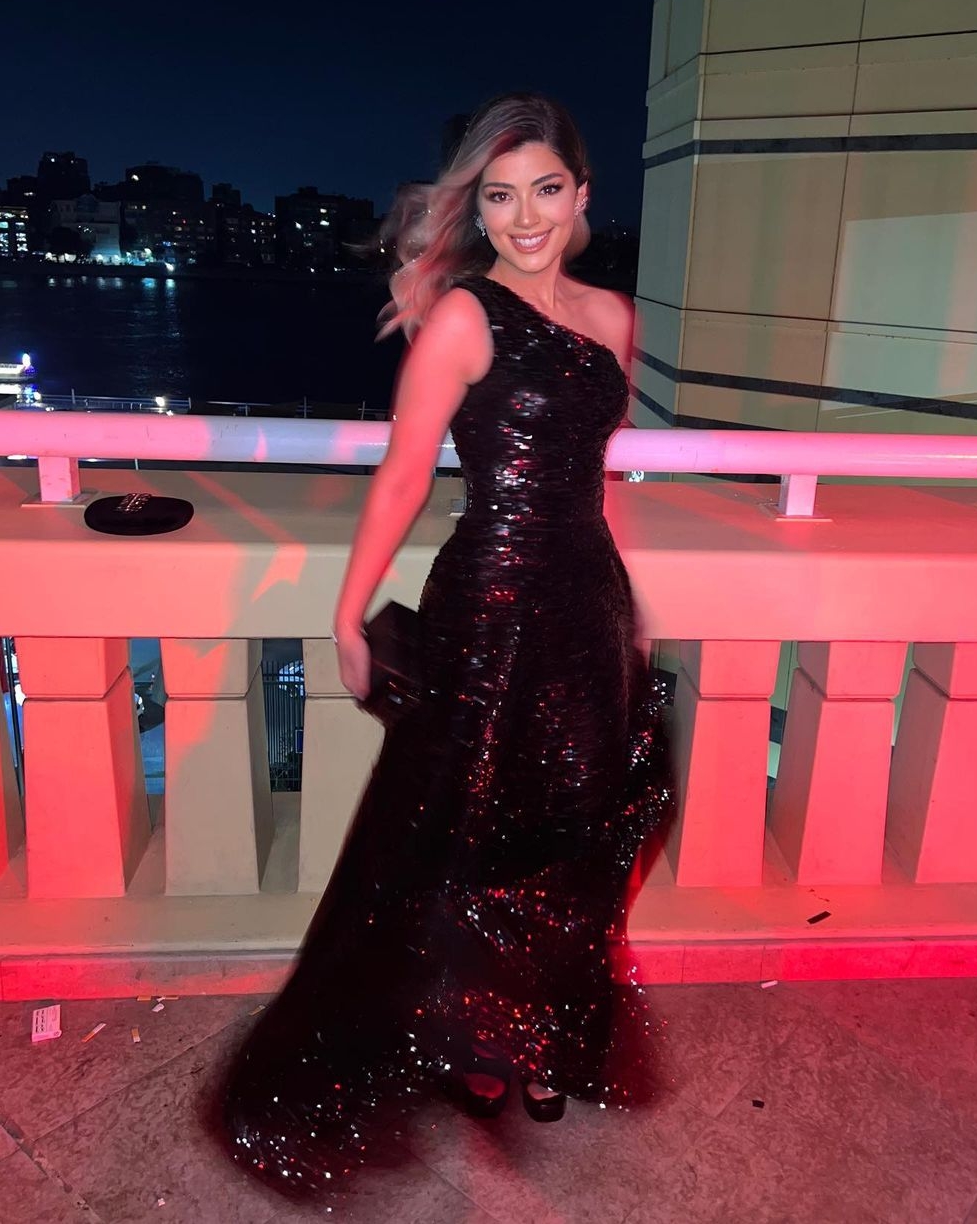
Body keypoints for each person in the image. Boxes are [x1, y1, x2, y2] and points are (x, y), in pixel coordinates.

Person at [214, 92, 673, 1201]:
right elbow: (406, 475)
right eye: (500, 197)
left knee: (575, 826)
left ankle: (546, 1027)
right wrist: (347, 614)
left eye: (546, 191)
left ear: (583, 195)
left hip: (585, 602)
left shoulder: (614, 318)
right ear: (478, 209)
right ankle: (476, 1036)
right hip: (489, 604)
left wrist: (627, 605)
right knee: (474, 830)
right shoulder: (465, 319)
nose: (526, 218)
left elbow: (591, 479)